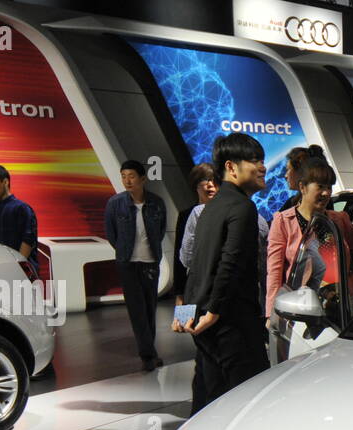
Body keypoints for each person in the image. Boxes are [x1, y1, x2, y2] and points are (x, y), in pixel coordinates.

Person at [178, 132, 268, 415]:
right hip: (233, 324)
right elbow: (230, 263)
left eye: (262, 159)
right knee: (245, 405)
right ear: (231, 167)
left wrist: (186, 314)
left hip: (207, 326)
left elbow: (195, 264)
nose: (262, 167)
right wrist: (215, 310)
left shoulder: (210, 208)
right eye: (254, 160)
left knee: (212, 402)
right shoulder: (243, 207)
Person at [265, 154, 353, 329]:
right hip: (299, 309)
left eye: (329, 187)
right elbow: (275, 272)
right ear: (302, 187)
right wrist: (272, 314)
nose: (326, 193)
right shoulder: (283, 221)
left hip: (338, 310)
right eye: (320, 186)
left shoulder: (340, 220)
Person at [105, 159, 167, 371]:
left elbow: (160, 231)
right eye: (123, 176)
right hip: (127, 263)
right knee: (136, 310)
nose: (127, 181)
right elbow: (111, 234)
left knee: (150, 308)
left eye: (131, 176)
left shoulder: (157, 202)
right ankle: (147, 355)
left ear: (143, 178)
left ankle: (150, 350)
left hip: (151, 261)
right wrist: (123, 249)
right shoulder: (115, 203)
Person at [173, 162, 216, 309]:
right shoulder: (186, 215)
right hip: (192, 284)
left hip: (218, 285)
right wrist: (179, 293)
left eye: (214, 180)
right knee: (192, 325)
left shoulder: (226, 213)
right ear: (195, 185)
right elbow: (180, 254)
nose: (210, 185)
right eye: (205, 180)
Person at [0, 164, 38, 274]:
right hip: (3, 272)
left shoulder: (21, 208)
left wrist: (17, 269)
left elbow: (28, 241)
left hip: (23, 273)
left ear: (5, 182)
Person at [278, 144, 323, 212]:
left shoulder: (321, 203)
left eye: (288, 169)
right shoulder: (292, 202)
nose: (286, 175)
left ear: (300, 172)